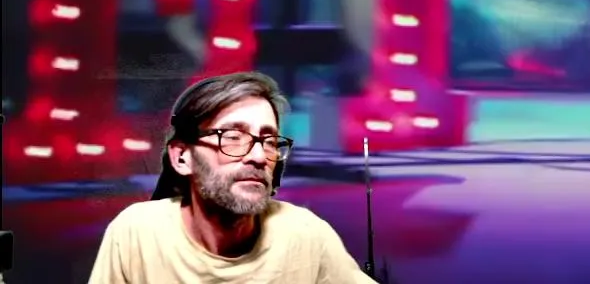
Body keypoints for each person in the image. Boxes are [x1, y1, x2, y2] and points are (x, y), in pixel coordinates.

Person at [87, 72, 376, 283]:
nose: (259, 156)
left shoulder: (305, 235)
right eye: (233, 137)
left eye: (269, 141)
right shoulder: (137, 233)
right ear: (182, 157)